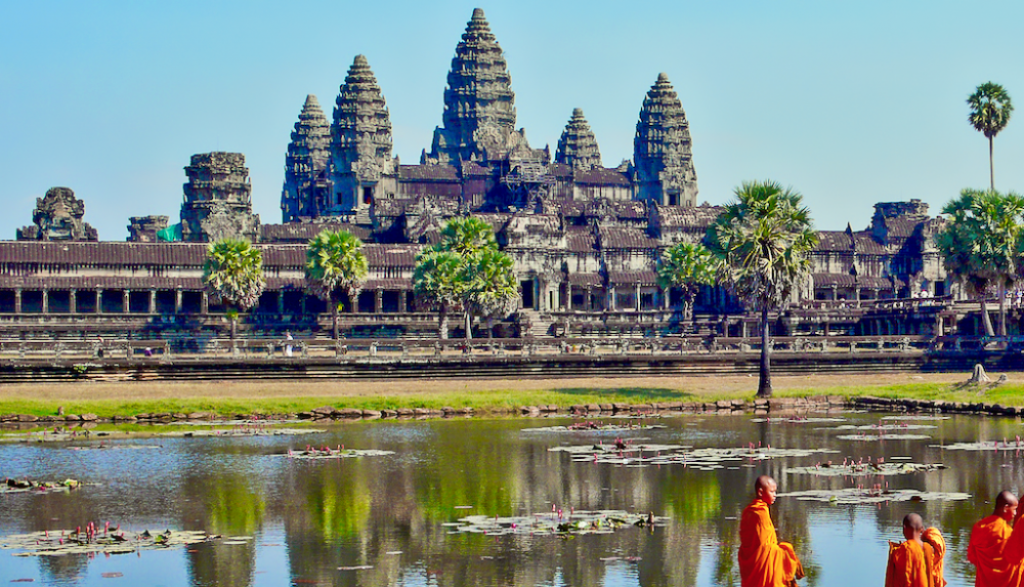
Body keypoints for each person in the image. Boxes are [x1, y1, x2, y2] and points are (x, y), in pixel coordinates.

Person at [738, 475, 804, 587]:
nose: (775, 495)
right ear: (760, 492)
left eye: (775, 492)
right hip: (761, 562)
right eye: (772, 492)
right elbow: (763, 546)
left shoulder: (748, 510)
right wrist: (786, 552)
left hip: (751, 564)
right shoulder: (760, 513)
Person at [968, 491, 1017, 587]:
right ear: (1006, 508)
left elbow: (972, 557)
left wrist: (987, 568)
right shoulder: (1008, 533)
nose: (1015, 513)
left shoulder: (979, 527)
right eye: (1014, 509)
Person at [885, 513, 937, 587]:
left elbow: (893, 578)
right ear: (922, 529)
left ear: (904, 528)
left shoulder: (901, 551)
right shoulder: (929, 549)